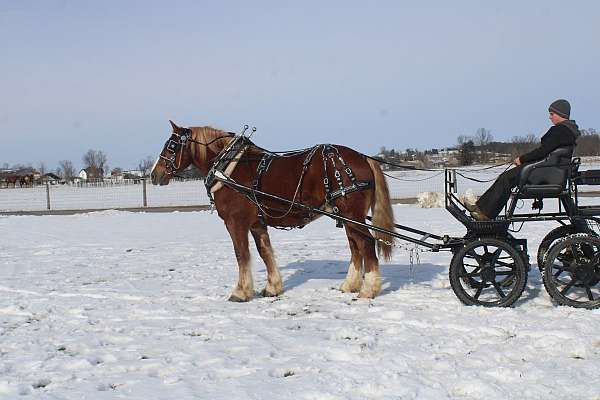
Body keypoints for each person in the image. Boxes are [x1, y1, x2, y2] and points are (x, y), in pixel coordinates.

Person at [466, 99, 581, 221]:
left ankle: (484, 213)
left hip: (543, 171)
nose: (550, 117)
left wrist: (522, 159)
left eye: (552, 114)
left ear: (561, 114)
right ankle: (482, 208)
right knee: (506, 179)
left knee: (506, 179)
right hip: (547, 170)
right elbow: (546, 153)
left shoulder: (560, 130)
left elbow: (542, 152)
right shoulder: (567, 131)